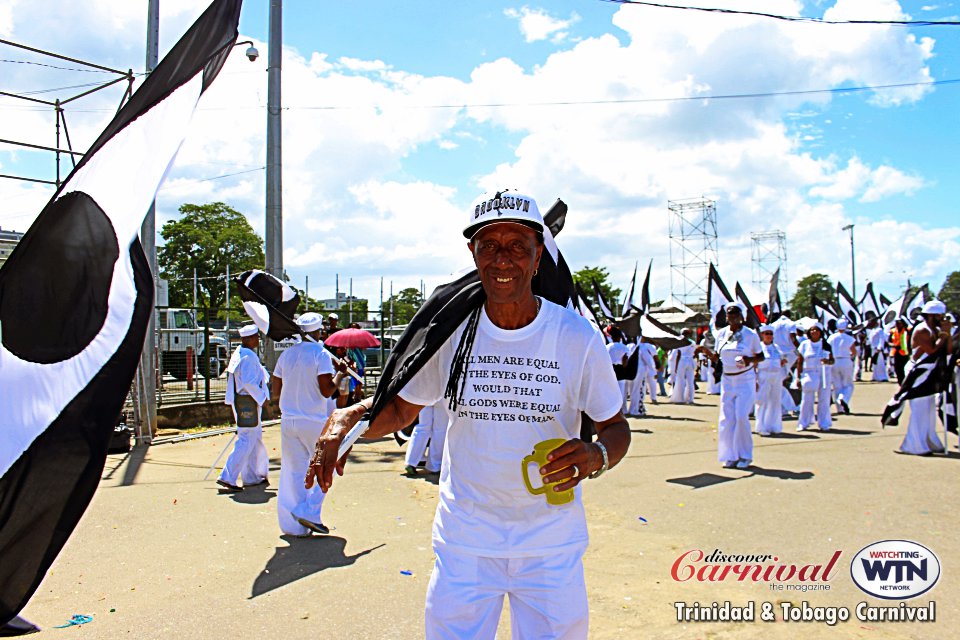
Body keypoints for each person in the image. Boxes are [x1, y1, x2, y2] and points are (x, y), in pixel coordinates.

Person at [306, 190, 630, 639]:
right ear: (473, 255)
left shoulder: (576, 337)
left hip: (551, 548)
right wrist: (350, 418)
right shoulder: (451, 333)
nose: (503, 260)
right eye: (489, 246)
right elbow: (401, 408)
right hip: (466, 543)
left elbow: (615, 427)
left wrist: (597, 456)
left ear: (538, 258)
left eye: (518, 246)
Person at [271, 312, 344, 535]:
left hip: (289, 420)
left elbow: (276, 390)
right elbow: (326, 390)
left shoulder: (286, 355)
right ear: (318, 330)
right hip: (313, 420)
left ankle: (293, 526)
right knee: (327, 465)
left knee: (294, 471)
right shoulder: (320, 354)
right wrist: (340, 374)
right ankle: (310, 511)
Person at [697, 302, 764, 468]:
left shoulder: (750, 335)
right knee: (727, 418)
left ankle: (745, 456)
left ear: (741, 316)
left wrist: (748, 360)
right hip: (728, 380)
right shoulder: (722, 334)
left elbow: (760, 356)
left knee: (741, 417)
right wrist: (705, 351)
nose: (732, 317)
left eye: (735, 314)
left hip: (744, 379)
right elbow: (717, 357)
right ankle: (730, 455)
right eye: (729, 314)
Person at [217, 324, 270, 492]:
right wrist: (263, 398)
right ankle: (228, 476)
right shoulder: (247, 357)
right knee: (247, 439)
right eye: (255, 337)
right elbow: (248, 382)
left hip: (245, 401)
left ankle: (252, 476)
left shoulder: (241, 353)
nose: (257, 340)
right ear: (247, 338)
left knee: (254, 438)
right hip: (248, 401)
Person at [898, 300, 951, 455]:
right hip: (918, 371)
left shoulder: (937, 329)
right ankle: (913, 444)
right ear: (931, 316)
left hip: (930, 372)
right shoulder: (922, 330)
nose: (942, 319)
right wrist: (944, 334)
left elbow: (947, 351)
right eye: (939, 316)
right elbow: (932, 351)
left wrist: (946, 334)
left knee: (929, 410)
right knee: (920, 409)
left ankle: (929, 440)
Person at [796, 322, 834, 432]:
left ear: (820, 332)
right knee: (807, 399)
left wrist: (827, 361)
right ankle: (803, 423)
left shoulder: (826, 345)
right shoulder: (804, 345)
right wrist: (798, 377)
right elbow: (800, 362)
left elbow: (832, 360)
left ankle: (824, 423)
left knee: (824, 399)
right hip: (809, 373)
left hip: (824, 374)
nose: (814, 332)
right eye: (812, 330)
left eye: (816, 330)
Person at [755, 325, 786, 436]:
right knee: (762, 401)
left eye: (770, 334)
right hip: (764, 375)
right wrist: (755, 380)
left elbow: (780, 360)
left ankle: (773, 425)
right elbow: (754, 364)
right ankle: (761, 426)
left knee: (775, 401)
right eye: (766, 333)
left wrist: (782, 362)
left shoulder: (777, 348)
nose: (769, 336)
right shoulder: (759, 347)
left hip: (776, 375)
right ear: (762, 335)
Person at [404, 400, 449, 476]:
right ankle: (434, 466)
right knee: (440, 430)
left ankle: (410, 462)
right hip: (442, 396)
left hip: (425, 395)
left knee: (422, 428)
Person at [772, 312, 799, 416]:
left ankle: (784, 409)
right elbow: (793, 337)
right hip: (789, 353)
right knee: (779, 381)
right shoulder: (791, 324)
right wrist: (799, 349)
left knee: (779, 381)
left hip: (778, 353)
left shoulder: (774, 325)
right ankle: (790, 407)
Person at [827, 318, 857, 414]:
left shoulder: (831, 337)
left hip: (834, 361)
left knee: (837, 385)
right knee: (848, 384)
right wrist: (852, 356)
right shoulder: (849, 338)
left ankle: (839, 408)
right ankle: (843, 398)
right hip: (845, 360)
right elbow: (854, 351)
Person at [605, 326, 630, 414]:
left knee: (610, 392)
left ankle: (611, 411)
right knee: (621, 393)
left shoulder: (607, 347)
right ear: (620, 337)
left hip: (610, 370)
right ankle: (621, 411)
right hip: (621, 371)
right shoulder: (624, 347)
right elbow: (625, 361)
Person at [669, 329, 697, 404]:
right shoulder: (692, 342)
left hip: (682, 361)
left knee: (680, 380)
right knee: (690, 381)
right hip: (690, 360)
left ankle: (680, 398)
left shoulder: (680, 342)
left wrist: (676, 367)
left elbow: (678, 355)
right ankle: (690, 399)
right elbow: (694, 352)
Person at [890, 317, 910, 385]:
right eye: (897, 323)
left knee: (904, 369)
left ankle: (905, 383)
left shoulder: (907, 330)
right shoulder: (893, 331)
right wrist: (893, 345)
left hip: (905, 353)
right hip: (896, 352)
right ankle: (900, 383)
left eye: (900, 323)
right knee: (897, 369)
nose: (898, 325)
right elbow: (889, 341)